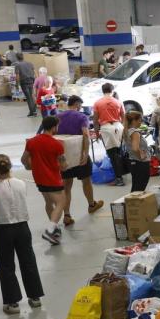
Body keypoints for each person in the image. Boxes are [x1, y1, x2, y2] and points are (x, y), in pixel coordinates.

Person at [0, 155, 43, 314]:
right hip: (22, 227)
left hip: (3, 229)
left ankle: (12, 303)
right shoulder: (22, 183)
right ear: (10, 166)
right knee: (28, 261)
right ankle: (35, 297)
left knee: (6, 265)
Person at [56, 96, 104, 226]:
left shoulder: (58, 117)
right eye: (80, 106)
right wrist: (84, 153)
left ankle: (67, 215)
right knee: (86, 180)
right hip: (78, 154)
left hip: (64, 156)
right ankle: (91, 204)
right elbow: (86, 135)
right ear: (77, 105)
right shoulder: (81, 117)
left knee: (66, 186)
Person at [22, 116, 68, 245]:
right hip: (53, 179)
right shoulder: (57, 144)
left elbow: (23, 160)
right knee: (61, 203)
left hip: (39, 178)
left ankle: (54, 229)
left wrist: (29, 166)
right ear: (54, 127)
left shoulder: (31, 142)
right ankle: (49, 230)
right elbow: (63, 166)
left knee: (48, 202)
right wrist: (66, 164)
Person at [92, 83, 126, 186]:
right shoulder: (118, 102)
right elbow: (123, 117)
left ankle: (119, 179)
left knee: (112, 154)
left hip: (106, 128)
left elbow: (95, 120)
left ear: (102, 91)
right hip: (118, 127)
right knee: (119, 152)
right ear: (112, 90)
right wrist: (123, 129)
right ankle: (121, 175)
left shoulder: (97, 103)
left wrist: (97, 133)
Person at [124, 110, 152, 192]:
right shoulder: (135, 132)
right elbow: (135, 148)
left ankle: (131, 203)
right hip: (140, 163)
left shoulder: (127, 131)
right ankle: (133, 204)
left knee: (136, 187)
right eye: (140, 120)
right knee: (139, 188)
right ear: (134, 120)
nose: (141, 122)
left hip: (133, 162)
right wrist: (141, 155)